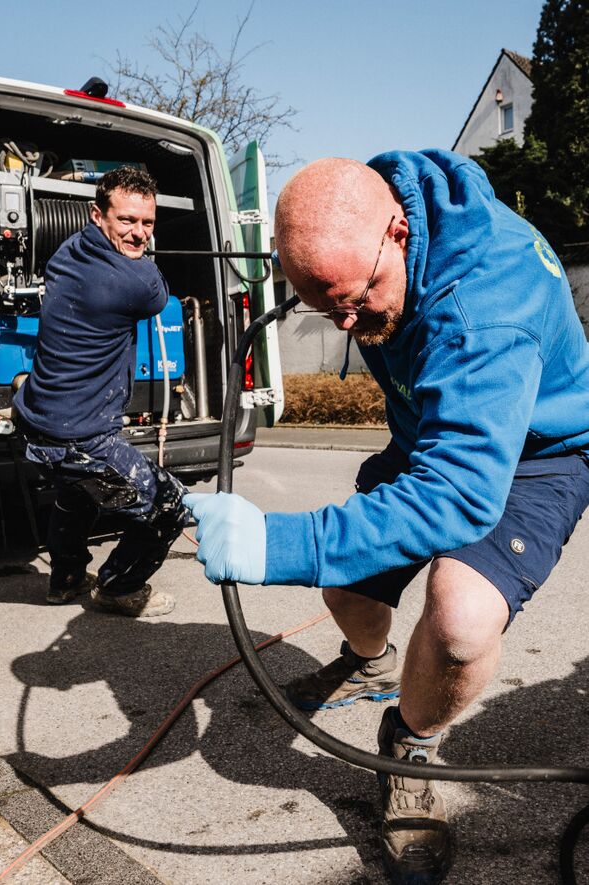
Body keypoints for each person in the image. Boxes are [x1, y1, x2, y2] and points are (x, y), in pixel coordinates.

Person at [183, 151, 589, 882]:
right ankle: (370, 665)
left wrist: (278, 542)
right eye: (323, 302)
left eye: (355, 297)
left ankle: (408, 742)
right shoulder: (371, 229)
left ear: (398, 232)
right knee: (346, 586)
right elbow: (435, 454)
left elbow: (460, 493)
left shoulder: (486, 304)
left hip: (538, 451)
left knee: (460, 622)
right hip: (435, 436)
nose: (344, 319)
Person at [15, 166, 190, 618]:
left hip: (43, 419)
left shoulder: (69, 252)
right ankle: (117, 588)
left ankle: (66, 580)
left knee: (77, 495)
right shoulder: (131, 281)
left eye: (147, 223)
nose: (138, 234)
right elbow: (157, 295)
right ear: (98, 215)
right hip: (80, 434)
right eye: (126, 220)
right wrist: (144, 261)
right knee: (168, 505)